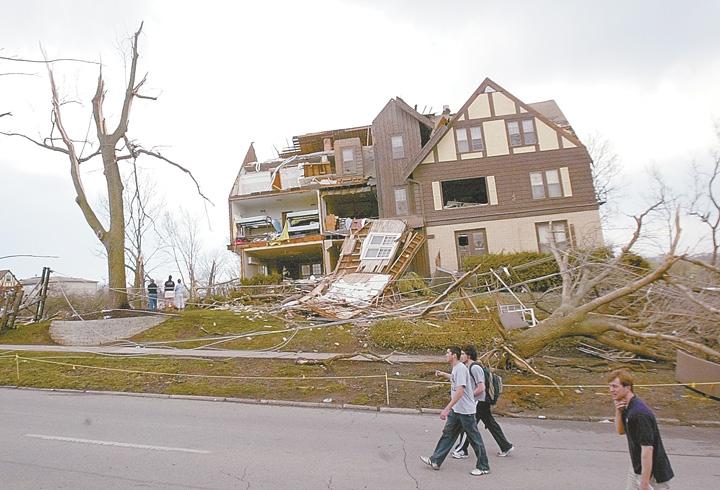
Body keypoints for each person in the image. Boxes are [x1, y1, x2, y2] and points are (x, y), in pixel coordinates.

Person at [420, 346, 490, 477]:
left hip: (466, 411)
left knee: (475, 439)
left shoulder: (461, 369)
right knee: (448, 434)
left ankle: (483, 466)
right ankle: (435, 460)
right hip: (457, 410)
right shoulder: (457, 368)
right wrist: (443, 374)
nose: (445, 355)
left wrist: (446, 408)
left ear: (454, 355)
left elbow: (460, 391)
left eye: (447, 353)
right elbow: (454, 378)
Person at [608, 369, 674, 489]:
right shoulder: (627, 407)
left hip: (653, 475)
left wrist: (645, 482)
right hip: (637, 469)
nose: (611, 390)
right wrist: (618, 411)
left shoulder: (639, 414)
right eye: (610, 386)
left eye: (615, 386)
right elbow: (621, 431)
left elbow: (647, 450)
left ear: (627, 388)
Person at [452, 345, 514, 459]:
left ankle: (462, 449)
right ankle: (505, 446)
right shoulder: (467, 367)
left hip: (480, 401)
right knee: (491, 424)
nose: (460, 356)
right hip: (480, 401)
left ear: (468, 355)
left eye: (463, 354)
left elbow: (481, 387)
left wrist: (468, 397)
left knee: (468, 426)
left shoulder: (475, 368)